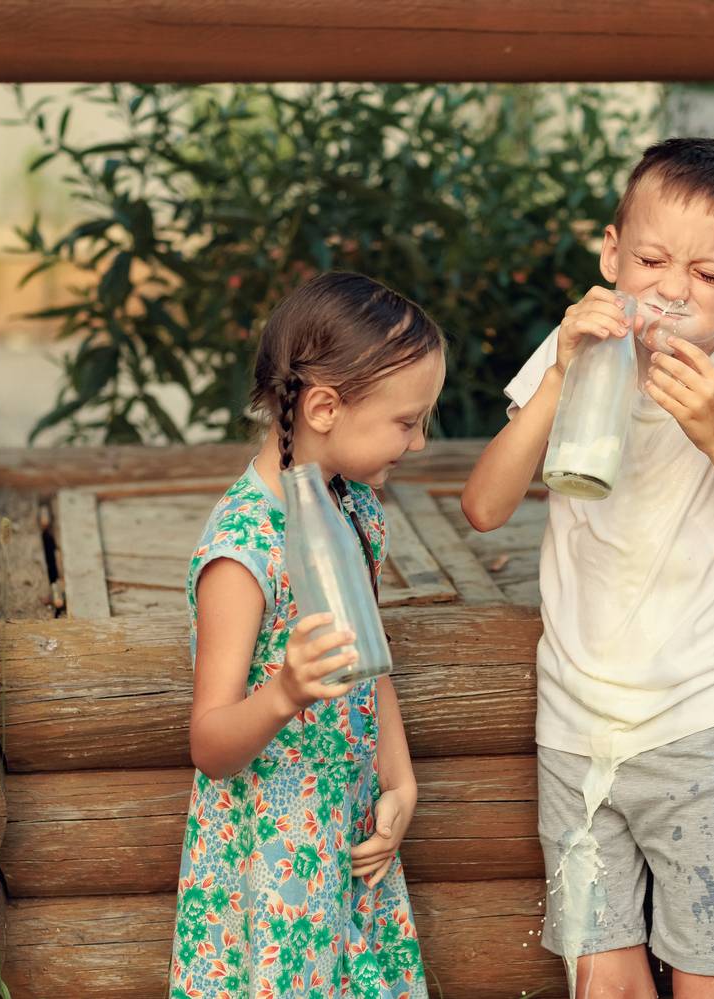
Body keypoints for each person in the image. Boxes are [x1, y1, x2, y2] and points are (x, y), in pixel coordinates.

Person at [461, 137, 714, 998]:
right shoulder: (576, 352)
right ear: (611, 253)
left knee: (710, 985)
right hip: (574, 726)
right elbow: (484, 505)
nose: (672, 289)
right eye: (651, 260)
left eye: (706, 274)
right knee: (605, 985)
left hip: (699, 724)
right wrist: (559, 373)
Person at [172, 271, 446, 998]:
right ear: (324, 407)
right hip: (273, 862)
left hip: (346, 837)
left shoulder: (354, 508)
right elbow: (211, 743)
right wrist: (284, 692)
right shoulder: (244, 550)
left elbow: (370, 661)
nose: (419, 442)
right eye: (407, 421)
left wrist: (401, 780)